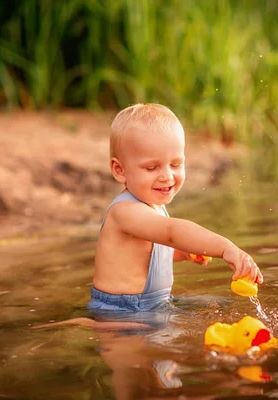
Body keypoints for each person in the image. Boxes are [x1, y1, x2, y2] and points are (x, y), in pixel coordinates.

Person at [88, 103, 263, 314]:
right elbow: (172, 232)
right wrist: (226, 249)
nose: (167, 176)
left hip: (153, 304)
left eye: (176, 164)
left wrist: (184, 253)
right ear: (120, 170)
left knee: (219, 306)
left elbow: (149, 252)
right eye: (152, 167)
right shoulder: (124, 211)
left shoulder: (152, 206)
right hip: (121, 313)